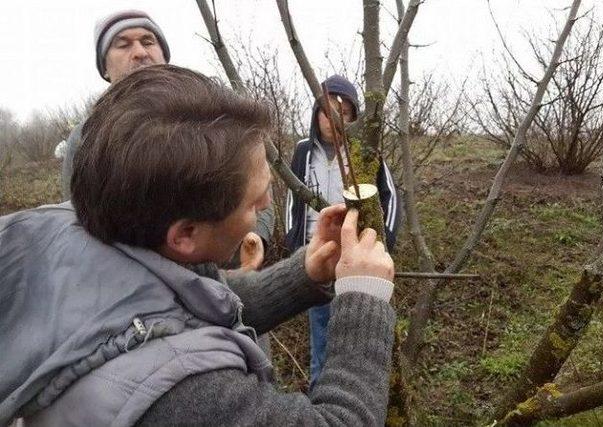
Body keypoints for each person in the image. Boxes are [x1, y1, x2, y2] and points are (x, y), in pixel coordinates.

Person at [0, 65, 397, 426]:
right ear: (185, 235)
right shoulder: (187, 393)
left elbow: (185, 305)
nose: (265, 205)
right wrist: (365, 297)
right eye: (252, 200)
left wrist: (304, 273)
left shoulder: (83, 238)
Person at [59, 9, 274, 272]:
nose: (139, 52)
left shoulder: (208, 118)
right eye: (123, 44)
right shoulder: (86, 140)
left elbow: (258, 188)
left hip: (227, 276)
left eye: (148, 41)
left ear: (165, 55)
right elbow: (84, 227)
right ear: (104, 67)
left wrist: (254, 233)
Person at [284, 74, 401, 386]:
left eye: (343, 112)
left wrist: (383, 242)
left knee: (358, 331)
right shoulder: (303, 152)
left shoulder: (364, 152)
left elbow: (389, 194)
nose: (333, 118)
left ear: (353, 116)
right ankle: (320, 398)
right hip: (317, 255)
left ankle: (356, 395)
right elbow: (292, 196)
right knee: (321, 333)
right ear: (316, 114)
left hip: (354, 258)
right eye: (327, 111)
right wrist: (293, 243)